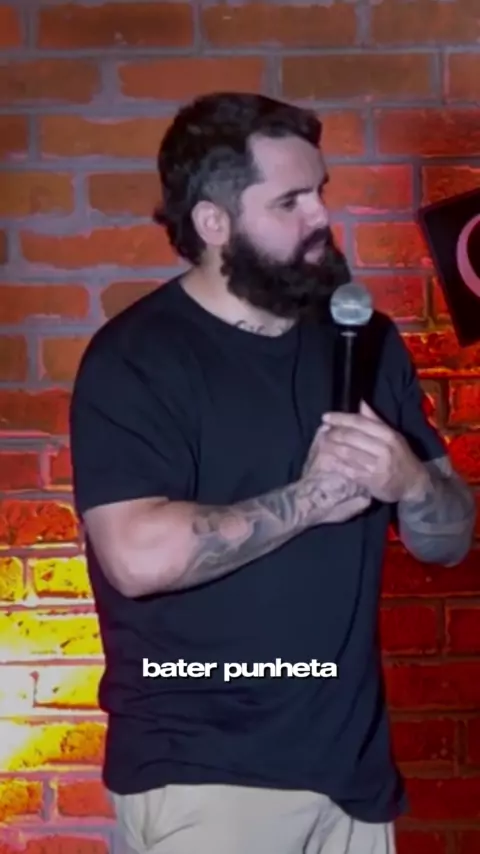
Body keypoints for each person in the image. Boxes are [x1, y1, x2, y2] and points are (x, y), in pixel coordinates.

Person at [69, 92, 476, 854]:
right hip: (207, 779)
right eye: (290, 201)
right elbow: (137, 557)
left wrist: (414, 485)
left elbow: (449, 539)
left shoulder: (366, 339)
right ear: (213, 223)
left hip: (353, 779)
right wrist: (311, 499)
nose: (322, 216)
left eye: (321, 192)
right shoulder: (138, 359)